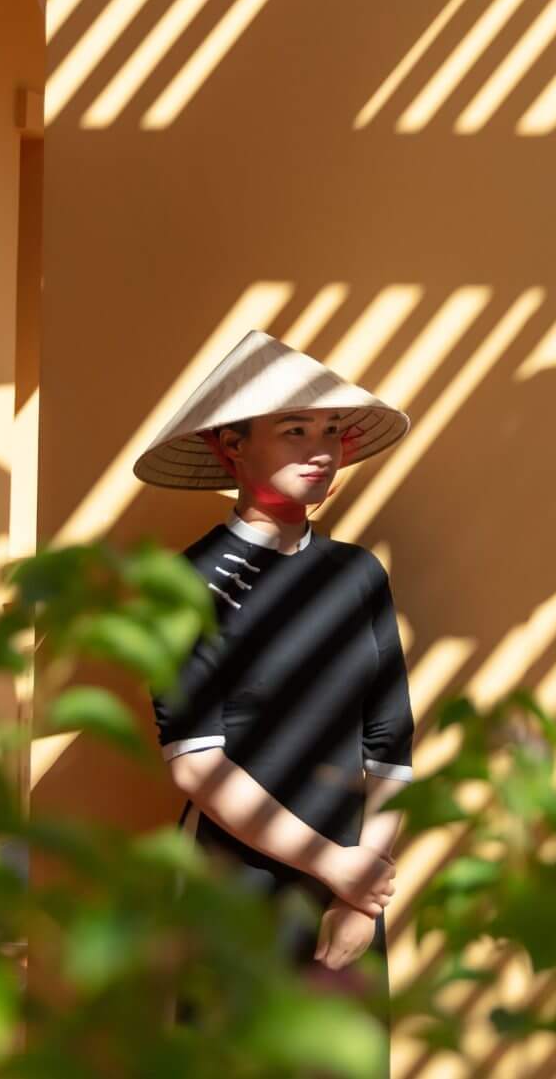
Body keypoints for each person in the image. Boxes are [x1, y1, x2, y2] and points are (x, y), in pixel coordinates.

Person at [134, 329, 416, 1036]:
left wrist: (357, 897)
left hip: (349, 892)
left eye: (329, 430)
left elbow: (390, 750)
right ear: (228, 445)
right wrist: (337, 868)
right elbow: (197, 764)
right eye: (294, 430)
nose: (319, 449)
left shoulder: (359, 575)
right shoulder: (178, 587)